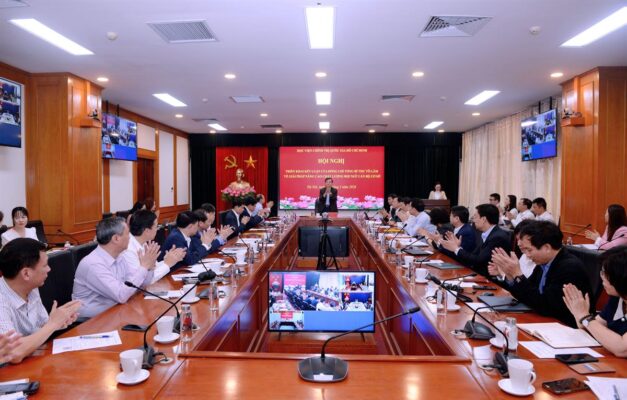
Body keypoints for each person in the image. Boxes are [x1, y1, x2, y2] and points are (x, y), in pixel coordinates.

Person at [488, 221, 592, 328]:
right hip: (546, 321)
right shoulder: (544, 263)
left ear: (547, 248)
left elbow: (546, 306)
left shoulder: (569, 268)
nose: (527, 255)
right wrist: (510, 275)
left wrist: (517, 275)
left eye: (529, 250)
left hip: (565, 327)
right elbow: (528, 294)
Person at [0, 238, 81, 363]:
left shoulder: (30, 287)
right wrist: (53, 324)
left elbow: (40, 328)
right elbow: (12, 353)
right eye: (45, 265)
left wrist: (59, 321)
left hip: (32, 360)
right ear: (26, 274)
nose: (49, 269)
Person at [72, 217, 156, 319]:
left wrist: (149, 267)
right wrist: (143, 267)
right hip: (92, 321)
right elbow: (121, 295)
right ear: (116, 238)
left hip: (116, 311)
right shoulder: (93, 264)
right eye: (127, 233)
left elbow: (139, 286)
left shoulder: (120, 256)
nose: (130, 237)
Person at [563, 246, 627, 357]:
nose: (601, 277)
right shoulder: (617, 298)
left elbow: (622, 349)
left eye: (604, 273)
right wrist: (579, 315)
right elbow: (593, 330)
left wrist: (585, 317)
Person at [440, 204, 511, 276]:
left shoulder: (497, 237)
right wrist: (458, 247)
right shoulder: (486, 233)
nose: (473, 220)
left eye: (475, 217)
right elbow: (473, 256)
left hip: (488, 278)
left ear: (483, 219)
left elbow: (479, 261)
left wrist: (456, 249)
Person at [123, 210, 186, 284]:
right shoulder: (128, 249)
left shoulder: (142, 242)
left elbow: (152, 268)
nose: (157, 229)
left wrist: (169, 259)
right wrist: (167, 264)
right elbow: (143, 281)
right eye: (156, 227)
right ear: (147, 231)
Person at [160, 211, 228, 269]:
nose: (198, 228)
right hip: (172, 273)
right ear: (190, 226)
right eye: (197, 225)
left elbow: (198, 252)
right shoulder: (176, 238)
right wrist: (205, 245)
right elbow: (191, 259)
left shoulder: (190, 234)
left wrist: (206, 244)